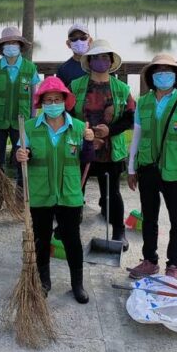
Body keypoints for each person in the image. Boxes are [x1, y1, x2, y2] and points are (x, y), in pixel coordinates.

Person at [16, 77, 96, 304]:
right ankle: (43, 280)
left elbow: (88, 160)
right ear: (41, 103)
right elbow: (23, 155)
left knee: (72, 240)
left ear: (65, 101)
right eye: (48, 100)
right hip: (40, 193)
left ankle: (77, 284)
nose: (53, 103)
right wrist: (21, 155)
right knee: (41, 238)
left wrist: (89, 142)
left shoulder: (79, 128)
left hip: (69, 194)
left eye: (57, 99)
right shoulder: (30, 127)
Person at [126, 53, 177, 281]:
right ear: (151, 76)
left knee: (176, 218)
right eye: (158, 71)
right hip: (148, 167)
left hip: (175, 169)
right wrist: (131, 168)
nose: (163, 76)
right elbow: (137, 137)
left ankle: (174, 264)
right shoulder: (144, 102)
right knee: (149, 217)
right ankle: (150, 260)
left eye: (168, 72)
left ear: (176, 76)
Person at [69, 39, 135, 248]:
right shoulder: (76, 86)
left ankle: (119, 231)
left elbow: (130, 118)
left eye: (105, 57)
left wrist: (110, 131)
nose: (100, 61)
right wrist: (85, 132)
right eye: (96, 58)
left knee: (112, 192)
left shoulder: (122, 89)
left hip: (109, 150)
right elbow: (67, 115)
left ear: (111, 61)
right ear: (89, 61)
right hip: (81, 146)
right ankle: (68, 227)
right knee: (74, 189)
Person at [0, 26, 40, 190]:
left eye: (15, 42)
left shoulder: (30, 68)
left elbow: (34, 98)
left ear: (20, 46)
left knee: (21, 159)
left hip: (21, 121)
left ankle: (21, 196)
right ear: (2, 48)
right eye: (7, 43)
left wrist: (33, 120)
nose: (11, 46)